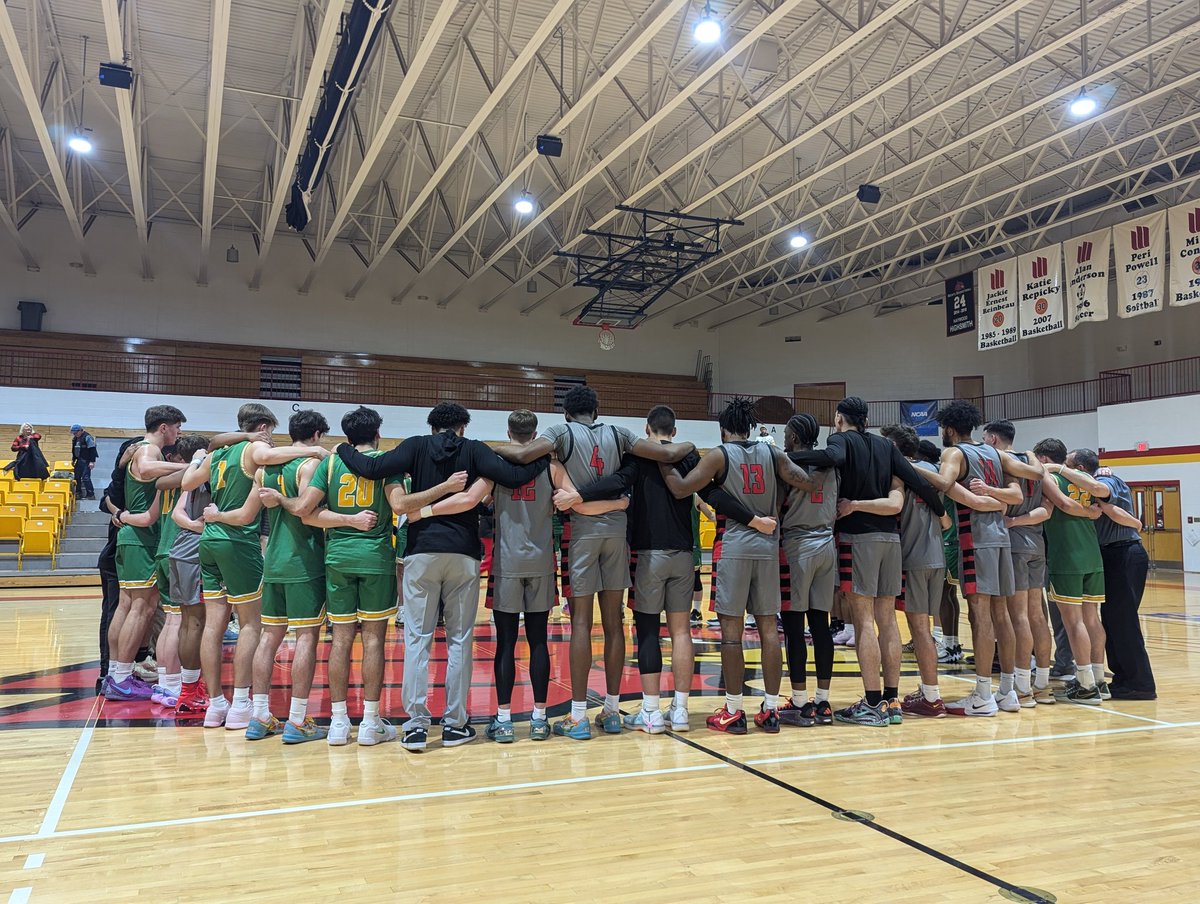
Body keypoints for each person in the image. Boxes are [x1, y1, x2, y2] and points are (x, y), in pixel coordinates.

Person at [334, 403, 548, 751]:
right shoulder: (474, 449)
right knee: (459, 640)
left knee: (418, 639)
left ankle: (416, 727)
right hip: (463, 554)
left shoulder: (415, 445)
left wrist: (343, 448)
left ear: (432, 426)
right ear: (463, 427)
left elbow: (371, 468)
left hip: (422, 552)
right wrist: (543, 458)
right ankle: (455, 725)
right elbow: (513, 476)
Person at [492, 385, 694, 740]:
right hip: (617, 533)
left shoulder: (560, 432)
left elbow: (523, 455)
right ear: (596, 411)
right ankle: (612, 712)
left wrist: (484, 449)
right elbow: (667, 452)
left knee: (582, 624)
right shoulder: (619, 433)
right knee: (614, 623)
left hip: (581, 533)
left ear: (567, 413)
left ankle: (578, 716)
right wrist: (689, 445)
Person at [414, 410, 618, 742]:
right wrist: (618, 504)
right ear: (536, 434)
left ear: (509, 433)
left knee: (506, 644)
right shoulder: (552, 467)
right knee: (539, 643)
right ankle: (539, 718)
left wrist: (422, 511)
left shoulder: (495, 466)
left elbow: (469, 500)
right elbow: (576, 503)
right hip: (541, 564)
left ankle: (505, 720)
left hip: (506, 564)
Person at [566, 405, 766, 735]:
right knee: (682, 632)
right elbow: (712, 495)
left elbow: (617, 481)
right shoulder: (688, 457)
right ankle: (681, 710)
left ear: (647, 429)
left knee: (647, 631)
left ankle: (650, 712)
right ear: (674, 431)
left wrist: (579, 494)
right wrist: (754, 519)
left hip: (648, 554)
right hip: (684, 553)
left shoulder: (637, 457)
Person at [657, 398, 816, 735]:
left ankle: (733, 710)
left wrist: (663, 461)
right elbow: (805, 480)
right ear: (749, 427)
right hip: (768, 549)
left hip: (733, 548)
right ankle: (770, 710)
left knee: (731, 635)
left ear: (723, 430)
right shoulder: (772, 454)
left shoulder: (719, 455)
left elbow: (681, 488)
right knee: (769, 631)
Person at [787, 397, 945, 727]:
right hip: (891, 540)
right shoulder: (886, 446)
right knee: (888, 621)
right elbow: (916, 481)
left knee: (863, 622)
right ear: (867, 420)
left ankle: (872, 703)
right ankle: (892, 700)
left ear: (839, 419)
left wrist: (784, 456)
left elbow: (831, 458)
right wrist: (941, 510)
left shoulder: (840, 440)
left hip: (857, 538)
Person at [180, 404, 325, 729]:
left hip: (208, 541)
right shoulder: (253, 448)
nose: (271, 438)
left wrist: (200, 458)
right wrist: (314, 450)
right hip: (236, 542)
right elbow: (263, 470)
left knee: (214, 625)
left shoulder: (218, 454)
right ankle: (241, 706)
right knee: (250, 625)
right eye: (270, 431)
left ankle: (215, 705)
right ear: (262, 427)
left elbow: (187, 482)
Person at [925, 401, 1044, 717]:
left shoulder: (954, 453)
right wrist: (995, 498)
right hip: (1002, 539)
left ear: (950, 429)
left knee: (980, 616)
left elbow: (944, 483)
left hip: (975, 540)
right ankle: (1007, 691)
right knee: (1001, 614)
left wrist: (908, 467)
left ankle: (981, 694)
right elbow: (1035, 474)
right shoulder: (995, 453)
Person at [1053, 450, 1155, 699]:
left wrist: (1058, 470)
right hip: (1109, 554)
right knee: (1110, 619)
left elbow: (1102, 495)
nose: (1065, 469)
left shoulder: (1106, 479)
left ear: (1079, 468)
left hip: (1124, 552)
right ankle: (1122, 679)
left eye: (1068, 465)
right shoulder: (1086, 484)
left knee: (1123, 620)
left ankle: (1140, 683)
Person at [102, 406, 188, 700]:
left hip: (131, 537)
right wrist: (190, 468)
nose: (178, 433)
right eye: (176, 427)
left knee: (126, 606)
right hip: (142, 537)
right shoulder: (149, 449)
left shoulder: (140, 450)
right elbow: (149, 470)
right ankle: (122, 678)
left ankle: (115, 673)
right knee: (142, 608)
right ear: (164, 427)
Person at [982, 419, 1054, 705]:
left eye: (985, 438)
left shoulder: (1002, 464)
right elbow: (1047, 508)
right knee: (1037, 615)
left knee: (1018, 617)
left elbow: (1002, 505)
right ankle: (1043, 685)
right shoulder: (1033, 463)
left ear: (993, 439)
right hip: (1037, 543)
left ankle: (1022, 687)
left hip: (1013, 544)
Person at [881, 425, 950, 718]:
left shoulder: (897, 473)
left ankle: (932, 698)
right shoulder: (933, 469)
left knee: (919, 630)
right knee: (926, 630)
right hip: (936, 555)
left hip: (913, 557)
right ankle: (929, 692)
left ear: (895, 449)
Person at [1032, 438, 1108, 705]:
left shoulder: (1049, 478)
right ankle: (1098, 680)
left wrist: (1085, 513)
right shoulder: (1084, 478)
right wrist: (1090, 512)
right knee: (1092, 619)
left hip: (1067, 557)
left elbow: (1063, 505)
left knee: (1074, 622)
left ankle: (1086, 685)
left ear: (1043, 459)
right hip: (1092, 554)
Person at [777, 414, 840, 726]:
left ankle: (800, 702)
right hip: (827, 544)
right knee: (820, 625)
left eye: (786, 434)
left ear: (794, 437)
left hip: (798, 546)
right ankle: (823, 702)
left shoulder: (788, 464)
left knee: (793, 628)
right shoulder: (833, 466)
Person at [71, 424, 98, 499]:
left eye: (76, 432)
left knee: (86, 478)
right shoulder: (75, 438)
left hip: (86, 461)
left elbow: (92, 450)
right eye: (73, 433)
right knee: (77, 477)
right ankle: (78, 493)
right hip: (78, 460)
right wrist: (73, 459)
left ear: (80, 430)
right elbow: (74, 450)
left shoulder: (87, 437)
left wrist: (92, 461)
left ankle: (91, 494)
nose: (74, 434)